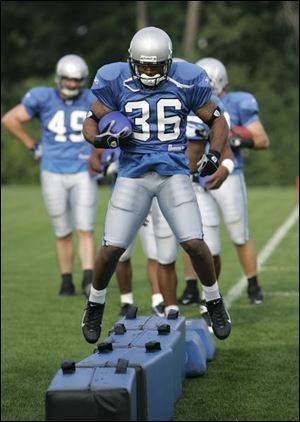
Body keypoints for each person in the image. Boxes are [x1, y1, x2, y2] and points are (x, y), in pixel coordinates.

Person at [81, 26, 232, 344]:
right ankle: (94, 304)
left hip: (173, 174)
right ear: (131, 61)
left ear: (169, 62)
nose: (149, 72)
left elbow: (218, 119)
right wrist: (99, 139)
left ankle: (214, 301)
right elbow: (91, 119)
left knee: (193, 243)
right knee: (112, 249)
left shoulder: (187, 79)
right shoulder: (115, 79)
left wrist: (215, 155)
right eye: (144, 65)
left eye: (156, 66)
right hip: (133, 176)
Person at [2, 54, 98, 297]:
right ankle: (66, 281)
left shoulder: (91, 98)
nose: (73, 84)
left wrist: (102, 154)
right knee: (62, 230)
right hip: (52, 170)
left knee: (85, 227)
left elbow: (112, 124)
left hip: (82, 171)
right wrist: (32, 144)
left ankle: (88, 279)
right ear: (59, 78)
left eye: (77, 80)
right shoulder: (42, 96)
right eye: (68, 79)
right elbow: (10, 119)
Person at [178, 57, 270, 307]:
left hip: (227, 173)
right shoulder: (185, 102)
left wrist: (240, 140)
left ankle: (253, 285)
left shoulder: (239, 101)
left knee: (239, 233)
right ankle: (190, 287)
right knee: (193, 234)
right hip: (194, 177)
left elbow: (262, 139)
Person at [90, 147, 166, 317]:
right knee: (121, 255)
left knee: (154, 253)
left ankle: (157, 299)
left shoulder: (151, 139)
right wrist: (104, 167)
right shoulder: (116, 135)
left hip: (151, 202)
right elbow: (95, 157)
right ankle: (126, 301)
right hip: (123, 204)